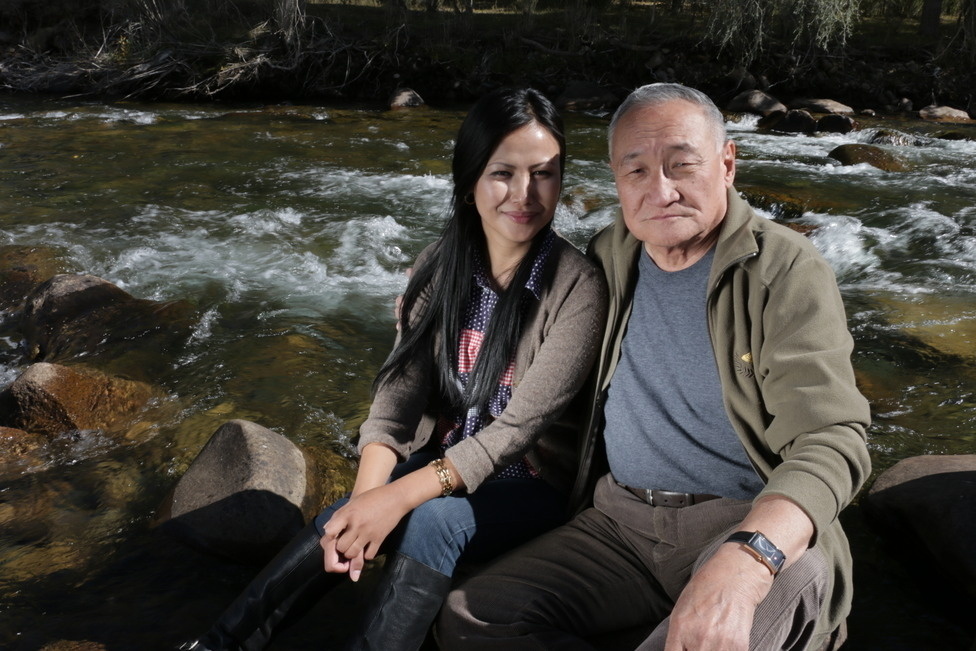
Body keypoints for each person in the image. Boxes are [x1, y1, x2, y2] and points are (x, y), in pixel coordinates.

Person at [438, 82, 872, 651]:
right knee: (471, 616)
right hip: (619, 526)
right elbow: (520, 314)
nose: (660, 191)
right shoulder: (608, 256)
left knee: (737, 616)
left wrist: (750, 557)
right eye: (636, 170)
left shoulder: (784, 269)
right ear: (616, 179)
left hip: (746, 523)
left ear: (727, 163)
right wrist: (435, 320)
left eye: (682, 165)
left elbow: (832, 437)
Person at [181, 87, 608, 651]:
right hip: (441, 461)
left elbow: (515, 432)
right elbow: (397, 399)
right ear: (470, 181)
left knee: (431, 521)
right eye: (503, 173)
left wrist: (399, 498)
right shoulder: (439, 265)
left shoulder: (578, 289)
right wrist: (367, 502)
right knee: (346, 515)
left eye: (544, 174)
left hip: (528, 481)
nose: (524, 195)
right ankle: (218, 643)